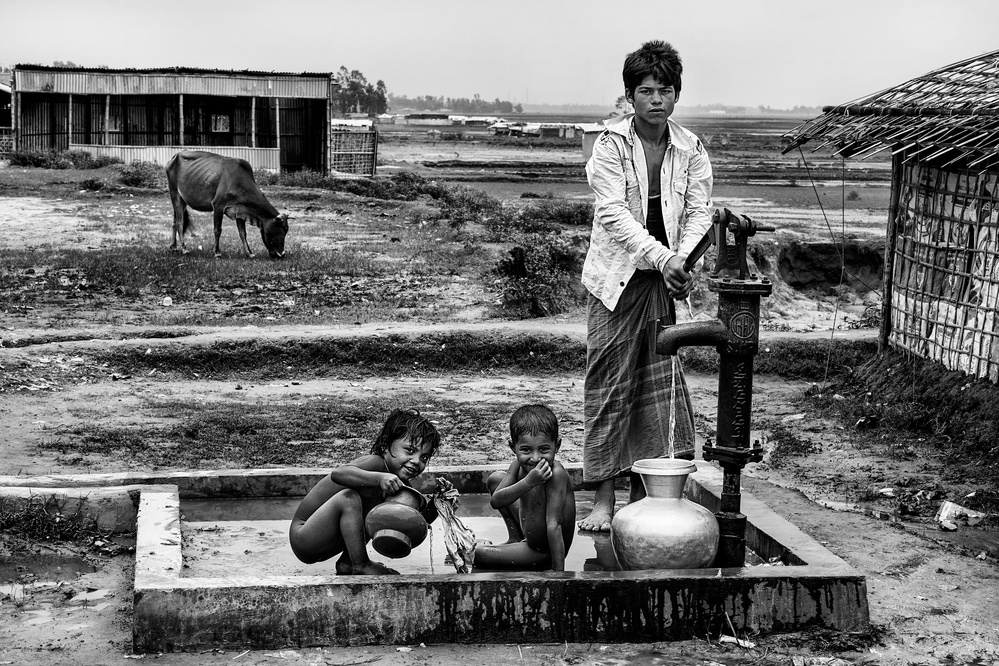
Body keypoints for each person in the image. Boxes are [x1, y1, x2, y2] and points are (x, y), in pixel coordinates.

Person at [577, 40, 713, 532]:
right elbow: (612, 213)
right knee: (611, 384)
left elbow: (700, 210)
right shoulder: (611, 146)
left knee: (657, 389)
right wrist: (663, 256)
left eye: (666, 90)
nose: (657, 99)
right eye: (647, 90)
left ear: (677, 95)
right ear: (630, 96)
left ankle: (642, 493)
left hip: (662, 282)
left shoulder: (692, 148)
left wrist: (683, 257)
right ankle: (602, 499)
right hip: (616, 281)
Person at [289, 408, 440, 575]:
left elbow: (410, 523)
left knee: (381, 512)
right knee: (348, 498)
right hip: (304, 537)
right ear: (385, 446)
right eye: (409, 451)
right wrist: (378, 478)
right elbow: (338, 473)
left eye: (424, 457)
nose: (416, 461)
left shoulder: (401, 484)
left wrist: (437, 505)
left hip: (327, 540)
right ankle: (360, 564)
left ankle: (348, 563)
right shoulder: (375, 464)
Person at [473, 404, 575, 571]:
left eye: (544, 449)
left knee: (476, 554)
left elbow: (554, 525)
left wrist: (558, 576)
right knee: (495, 479)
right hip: (530, 537)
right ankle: (515, 539)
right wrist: (529, 482)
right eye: (526, 450)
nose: (535, 458)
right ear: (513, 447)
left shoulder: (556, 475)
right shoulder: (517, 465)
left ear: (557, 446)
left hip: (543, 552)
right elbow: (496, 501)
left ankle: (525, 552)